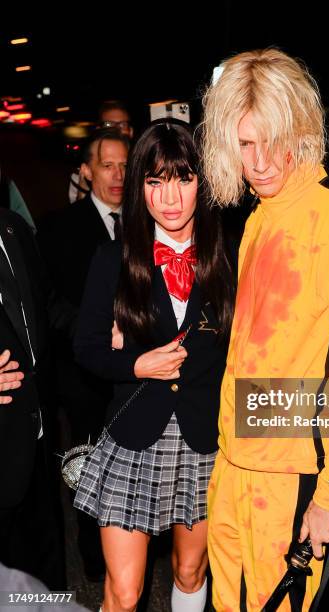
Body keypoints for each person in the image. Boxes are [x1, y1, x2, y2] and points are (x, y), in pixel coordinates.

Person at [201, 48, 329, 611]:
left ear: (301, 129)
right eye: (243, 144)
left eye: (270, 140)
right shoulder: (257, 218)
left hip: (296, 478)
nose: (257, 162)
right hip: (233, 471)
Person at [72, 118, 235, 612]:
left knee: (191, 571)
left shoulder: (229, 258)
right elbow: (86, 348)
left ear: (201, 183)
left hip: (205, 436)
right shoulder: (113, 259)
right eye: (155, 181)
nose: (171, 197)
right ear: (140, 186)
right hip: (135, 437)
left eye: (183, 178)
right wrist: (137, 363)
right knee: (123, 592)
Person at [37, 128, 130, 582]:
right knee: (89, 470)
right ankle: (96, 563)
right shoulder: (58, 227)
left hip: (138, 374)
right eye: (107, 165)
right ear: (87, 170)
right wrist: (95, 334)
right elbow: (48, 302)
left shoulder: (149, 221)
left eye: (124, 166)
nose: (117, 175)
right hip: (83, 376)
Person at [0, 208, 75, 590]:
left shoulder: (13, 228)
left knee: (44, 555)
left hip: (38, 427)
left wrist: (102, 329)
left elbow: (47, 305)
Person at [69, 100, 134, 203]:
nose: (116, 130)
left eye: (123, 125)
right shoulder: (82, 174)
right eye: (108, 124)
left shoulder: (147, 167)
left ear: (131, 131)